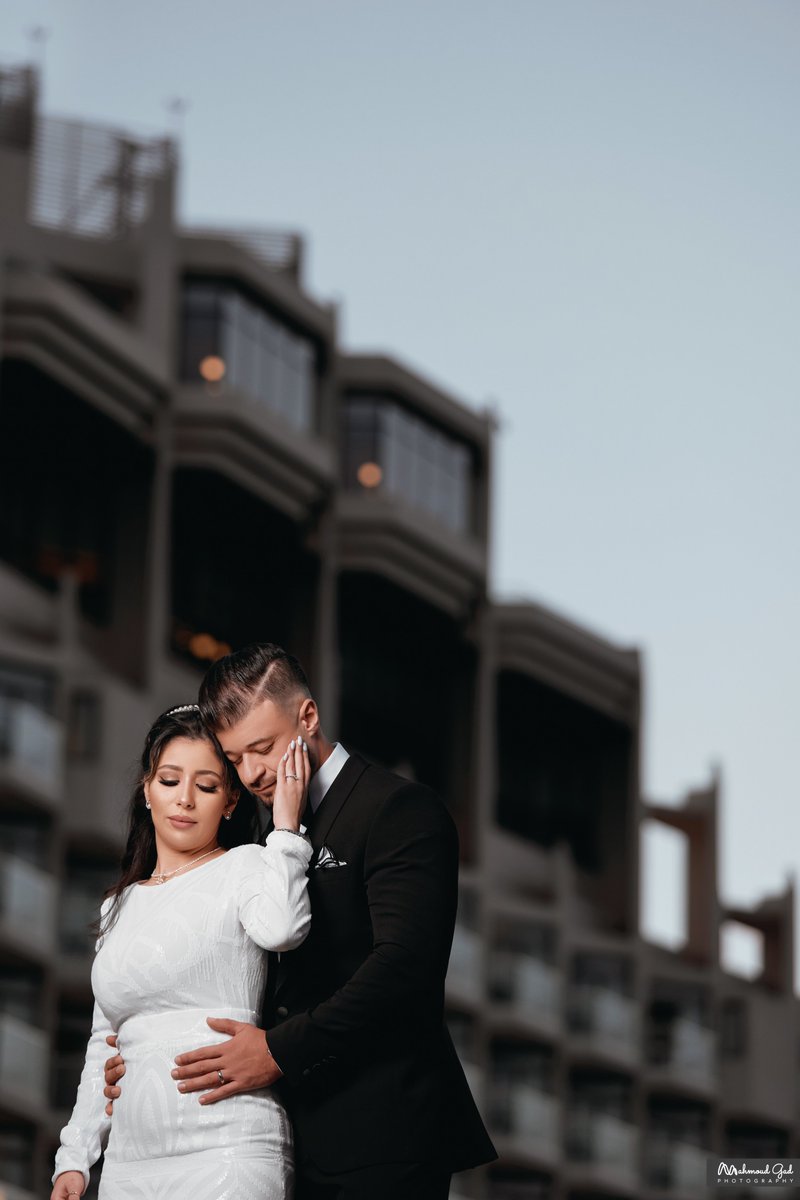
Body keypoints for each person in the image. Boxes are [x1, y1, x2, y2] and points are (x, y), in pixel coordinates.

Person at [104, 644, 496, 1200]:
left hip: (382, 1131)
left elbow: (405, 970)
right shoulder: (261, 837)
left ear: (308, 716)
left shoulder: (398, 809)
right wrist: (146, 1057)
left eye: (263, 748)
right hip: (281, 1139)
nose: (252, 773)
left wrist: (277, 1052)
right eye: (235, 758)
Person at [51, 704, 313, 1200]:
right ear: (147, 789)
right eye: (170, 780)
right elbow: (104, 1042)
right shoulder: (117, 906)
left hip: (229, 1147)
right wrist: (75, 1158)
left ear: (230, 800)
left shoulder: (246, 865)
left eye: (207, 786)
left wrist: (285, 832)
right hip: (129, 1162)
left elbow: (283, 928)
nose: (185, 799)